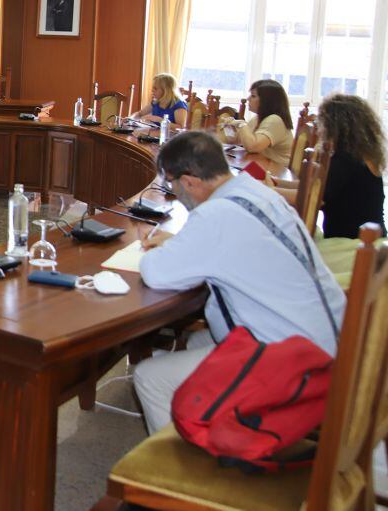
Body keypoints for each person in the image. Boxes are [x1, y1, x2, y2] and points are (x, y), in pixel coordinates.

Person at [132, 131, 345, 434]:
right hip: (331, 340)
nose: (175, 192)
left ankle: (181, 470)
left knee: (150, 376)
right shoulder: (255, 192)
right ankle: (219, 421)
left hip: (297, 363)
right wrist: (184, 243)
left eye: (173, 184)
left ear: (190, 181)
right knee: (198, 340)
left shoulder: (216, 215)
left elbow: (155, 273)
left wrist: (166, 248)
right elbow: (231, 245)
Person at [270, 94, 385, 240]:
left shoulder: (346, 161)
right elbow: (313, 187)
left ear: (335, 126)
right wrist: (276, 182)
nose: (318, 126)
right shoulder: (356, 155)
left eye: (321, 120)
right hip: (367, 239)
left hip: (351, 244)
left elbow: (310, 198)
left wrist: (269, 190)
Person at [219, 78, 294, 165]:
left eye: (253, 96)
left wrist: (241, 124)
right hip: (265, 166)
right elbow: (236, 141)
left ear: (267, 101)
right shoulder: (258, 118)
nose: (248, 98)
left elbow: (252, 147)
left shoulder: (275, 120)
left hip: (278, 172)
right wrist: (229, 129)